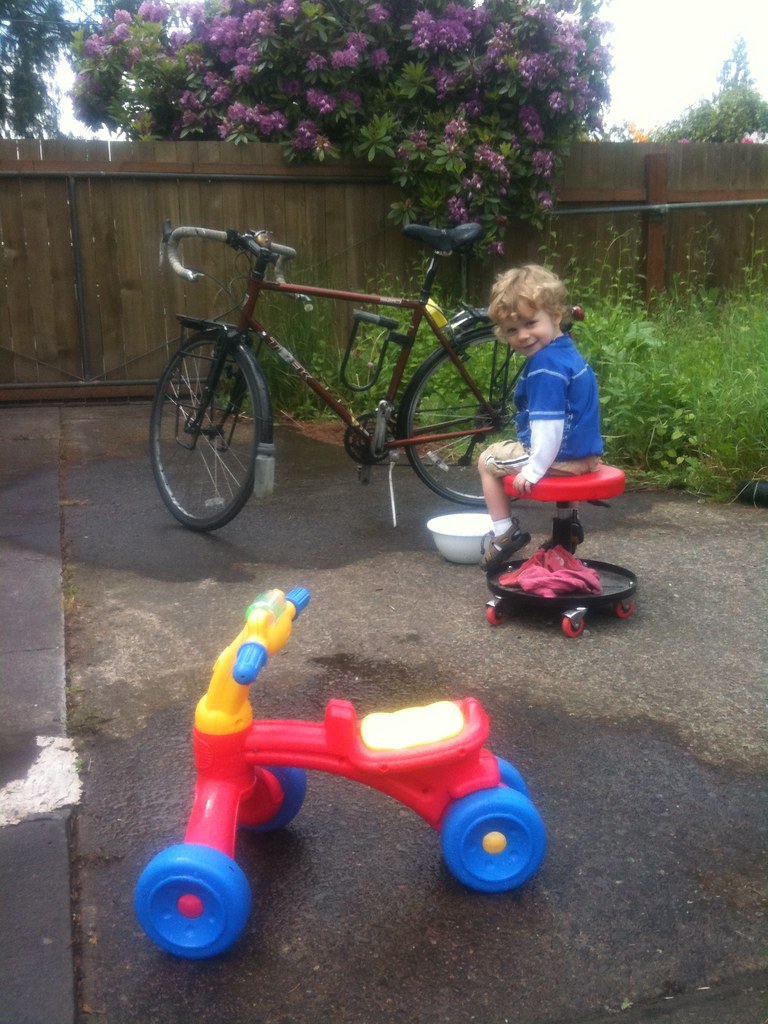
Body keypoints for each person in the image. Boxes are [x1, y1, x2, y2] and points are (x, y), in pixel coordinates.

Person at [478, 264, 603, 573]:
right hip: (587, 456)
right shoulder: (566, 351)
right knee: (529, 450)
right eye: (512, 330)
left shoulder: (545, 366)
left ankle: (503, 533)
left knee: (487, 460)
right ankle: (567, 527)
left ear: (555, 316)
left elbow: (549, 428)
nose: (522, 336)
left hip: (561, 457)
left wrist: (533, 471)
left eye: (530, 323)